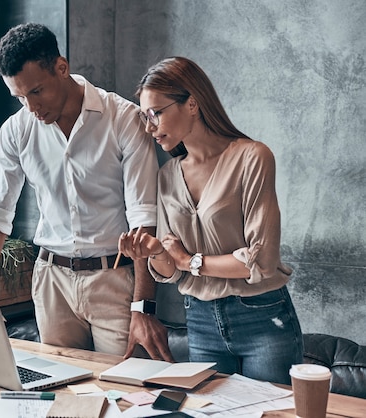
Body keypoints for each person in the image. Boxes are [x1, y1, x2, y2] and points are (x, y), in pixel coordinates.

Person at [0, 22, 174, 360]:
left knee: (125, 393)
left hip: (114, 280)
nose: (31, 108)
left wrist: (143, 306)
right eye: (19, 97)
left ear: (61, 68)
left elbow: (143, 218)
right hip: (51, 281)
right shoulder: (16, 131)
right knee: (59, 396)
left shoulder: (123, 119)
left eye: (36, 92)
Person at [118, 56, 303, 384]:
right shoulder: (167, 175)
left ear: (191, 104)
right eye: (144, 117)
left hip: (261, 317)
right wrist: (154, 252)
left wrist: (189, 261)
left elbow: (260, 261)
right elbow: (168, 272)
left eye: (155, 114)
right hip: (200, 320)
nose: (149, 128)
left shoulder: (252, 157)